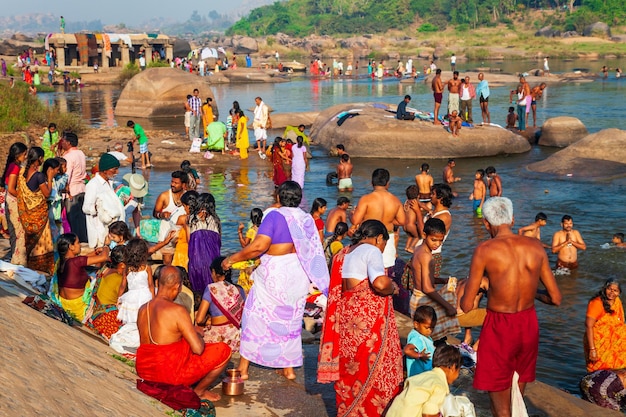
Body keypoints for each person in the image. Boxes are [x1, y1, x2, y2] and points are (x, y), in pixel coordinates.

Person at [460, 197, 562, 417]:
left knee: (501, 406)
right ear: (513, 219)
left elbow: (466, 305)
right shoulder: (535, 247)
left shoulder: (485, 249)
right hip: (528, 324)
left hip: (500, 326)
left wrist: (481, 286)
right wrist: (530, 292)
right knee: (517, 395)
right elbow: (555, 298)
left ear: (487, 223)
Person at [223, 181, 329, 381]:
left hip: (275, 275)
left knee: (254, 316)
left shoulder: (274, 215)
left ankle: (243, 370)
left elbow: (258, 247)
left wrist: (232, 258)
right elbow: (314, 248)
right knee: (290, 320)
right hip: (297, 275)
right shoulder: (306, 219)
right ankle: (288, 370)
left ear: (279, 197)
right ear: (298, 199)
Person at [317, 220, 402, 416]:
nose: (381, 250)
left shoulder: (343, 254)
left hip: (347, 323)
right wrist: (392, 287)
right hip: (367, 328)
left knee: (351, 369)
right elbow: (380, 283)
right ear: (378, 238)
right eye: (383, 245)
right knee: (372, 370)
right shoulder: (371, 250)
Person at [135, 265, 231, 402]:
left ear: (157, 283)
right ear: (178, 287)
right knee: (223, 350)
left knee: (185, 342)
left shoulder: (143, 309)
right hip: (168, 375)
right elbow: (198, 349)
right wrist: (197, 334)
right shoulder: (178, 310)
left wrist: (189, 331)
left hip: (144, 370)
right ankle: (200, 392)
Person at [409, 218, 460, 340]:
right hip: (424, 301)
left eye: (440, 241)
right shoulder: (426, 256)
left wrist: (442, 280)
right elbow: (427, 288)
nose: (436, 244)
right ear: (424, 235)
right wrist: (448, 306)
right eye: (433, 240)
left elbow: (424, 278)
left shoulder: (418, 249)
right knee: (436, 340)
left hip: (416, 297)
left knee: (425, 340)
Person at [350, 168, 405, 270]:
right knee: (386, 269)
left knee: (367, 268)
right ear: (388, 183)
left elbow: (355, 221)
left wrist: (351, 214)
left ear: (371, 183)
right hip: (387, 237)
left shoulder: (366, 199)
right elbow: (402, 221)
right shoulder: (395, 200)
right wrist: (389, 220)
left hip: (370, 237)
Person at [386, 345, 463, 417]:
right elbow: (428, 414)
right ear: (453, 368)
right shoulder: (439, 385)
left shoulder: (422, 377)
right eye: (458, 371)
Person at [17, 147, 57, 274]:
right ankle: (41, 266)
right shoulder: (39, 176)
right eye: (42, 158)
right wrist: (49, 178)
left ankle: (31, 264)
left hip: (27, 215)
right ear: (39, 159)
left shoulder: (22, 173)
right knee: (41, 240)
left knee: (31, 241)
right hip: (38, 214)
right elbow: (46, 194)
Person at [53, 233, 110, 322]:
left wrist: (95, 252)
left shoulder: (61, 261)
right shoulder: (76, 262)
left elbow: (82, 259)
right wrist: (106, 245)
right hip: (79, 310)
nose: (80, 245)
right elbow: (104, 257)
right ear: (71, 247)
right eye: (78, 243)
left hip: (63, 305)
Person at [195, 257, 246, 352]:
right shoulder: (240, 289)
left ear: (214, 272)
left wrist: (207, 319)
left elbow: (199, 319)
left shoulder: (211, 288)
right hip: (237, 338)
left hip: (218, 338)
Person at [82, 153, 125, 249]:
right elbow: (86, 207)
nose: (117, 172)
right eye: (114, 169)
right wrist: (99, 208)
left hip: (112, 231)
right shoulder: (93, 185)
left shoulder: (109, 183)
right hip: (99, 231)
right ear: (105, 170)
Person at [584, 279, 626, 372]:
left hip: (616, 344)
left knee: (618, 370)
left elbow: (621, 321)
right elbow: (588, 326)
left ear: (619, 293)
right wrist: (592, 349)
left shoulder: (617, 301)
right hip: (598, 344)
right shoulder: (596, 303)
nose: (612, 292)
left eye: (615, 290)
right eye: (609, 289)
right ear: (604, 289)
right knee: (599, 370)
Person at [86, 245, 127, 340]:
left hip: (95, 314)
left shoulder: (104, 269)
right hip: (106, 316)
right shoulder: (120, 279)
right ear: (122, 265)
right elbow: (121, 301)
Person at [186, 193, 222, 294]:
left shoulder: (191, 219)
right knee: (213, 292)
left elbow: (189, 241)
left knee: (198, 291)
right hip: (212, 261)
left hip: (196, 262)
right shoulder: (216, 220)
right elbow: (219, 242)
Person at [153, 171, 189, 265]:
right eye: (172, 182)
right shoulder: (164, 196)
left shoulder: (188, 197)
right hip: (166, 236)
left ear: (184, 185)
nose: (172, 184)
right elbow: (155, 213)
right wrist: (162, 215)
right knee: (167, 263)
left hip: (182, 236)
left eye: (176, 183)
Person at [116, 238, 155, 325]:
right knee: (145, 321)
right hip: (146, 296)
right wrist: (153, 299)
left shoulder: (127, 268)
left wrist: (119, 298)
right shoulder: (147, 268)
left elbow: (123, 285)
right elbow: (151, 285)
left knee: (131, 320)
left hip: (130, 298)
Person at [2, 142, 28, 265]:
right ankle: (19, 262)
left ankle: (15, 259)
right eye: (24, 154)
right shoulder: (15, 167)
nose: (25, 157)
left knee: (14, 233)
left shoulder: (11, 165)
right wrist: (24, 198)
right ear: (18, 155)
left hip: (9, 199)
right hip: (13, 200)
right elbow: (12, 188)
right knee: (20, 233)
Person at [60, 132, 88, 243]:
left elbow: (66, 176)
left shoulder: (68, 157)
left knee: (73, 219)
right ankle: (83, 241)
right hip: (81, 188)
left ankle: (76, 242)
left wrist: (66, 190)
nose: (62, 143)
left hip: (72, 191)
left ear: (69, 143)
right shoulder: (80, 153)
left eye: (64, 141)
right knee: (81, 219)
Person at [405, 305, 437, 377]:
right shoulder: (417, 337)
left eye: (432, 328)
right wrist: (419, 355)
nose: (430, 331)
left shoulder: (420, 335)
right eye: (427, 328)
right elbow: (407, 350)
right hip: (420, 375)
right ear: (416, 324)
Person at [171, 190, 198, 271]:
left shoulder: (183, 219)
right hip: (196, 255)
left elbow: (174, 237)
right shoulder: (202, 220)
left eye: (184, 206)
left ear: (189, 206)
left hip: (182, 254)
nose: (184, 209)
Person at [403, 185, 425, 253]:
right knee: (417, 237)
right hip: (411, 225)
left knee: (410, 235)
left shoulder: (406, 203)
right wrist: (429, 210)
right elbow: (422, 205)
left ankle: (406, 247)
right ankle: (411, 247)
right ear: (418, 195)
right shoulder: (415, 202)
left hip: (404, 226)